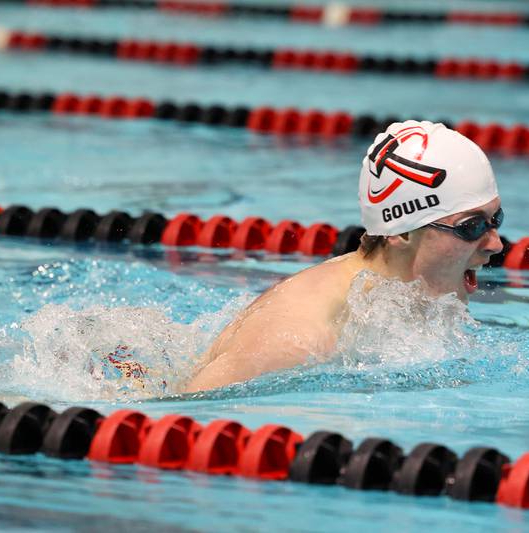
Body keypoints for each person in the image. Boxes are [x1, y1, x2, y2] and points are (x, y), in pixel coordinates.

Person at [185, 120, 504, 393]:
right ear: (401, 232)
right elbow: (184, 419)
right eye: (471, 226)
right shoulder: (296, 341)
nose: (495, 244)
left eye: (495, 219)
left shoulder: (397, 298)